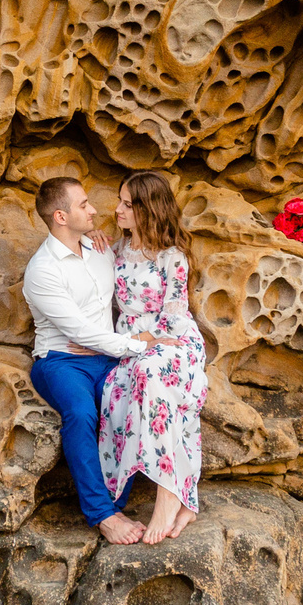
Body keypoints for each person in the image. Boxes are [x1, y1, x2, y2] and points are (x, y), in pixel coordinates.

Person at [22, 176, 160, 546]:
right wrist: (137, 344)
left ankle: (116, 502)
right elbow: (79, 334)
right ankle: (102, 515)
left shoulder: (102, 250)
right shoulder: (43, 270)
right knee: (82, 412)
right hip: (61, 362)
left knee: (132, 401)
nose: (94, 209)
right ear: (61, 216)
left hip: (107, 356)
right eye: (84, 204)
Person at [99, 172, 207, 543]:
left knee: (152, 372)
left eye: (128, 205)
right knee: (120, 385)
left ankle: (167, 494)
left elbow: (176, 316)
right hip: (131, 343)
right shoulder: (115, 251)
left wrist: (150, 340)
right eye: (120, 201)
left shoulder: (171, 256)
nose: (118, 210)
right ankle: (181, 496)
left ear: (149, 209)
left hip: (173, 341)